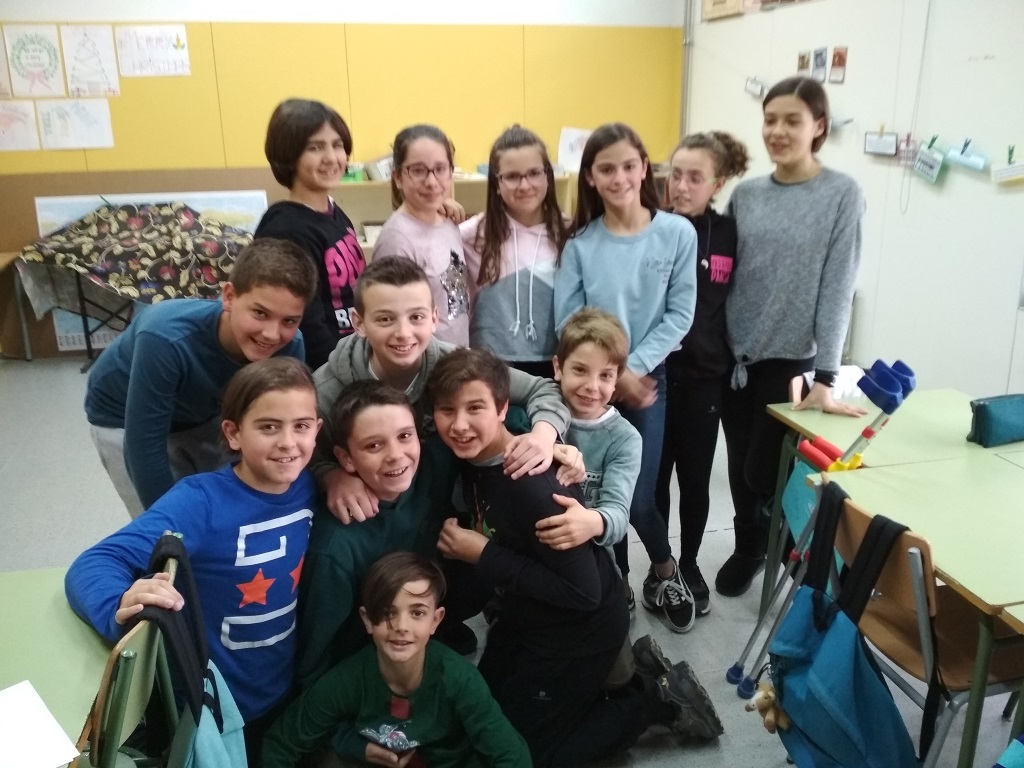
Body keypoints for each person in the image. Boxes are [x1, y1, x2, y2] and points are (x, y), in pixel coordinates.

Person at [428, 348, 723, 768]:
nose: (459, 425)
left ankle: (658, 700)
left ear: (502, 408)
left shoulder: (531, 485)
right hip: (527, 618)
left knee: (531, 755)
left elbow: (582, 592)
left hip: (579, 629)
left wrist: (484, 554)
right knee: (483, 717)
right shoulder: (477, 458)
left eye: (474, 408)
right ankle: (623, 674)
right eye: (446, 410)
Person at [67, 357, 321, 762]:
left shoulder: (312, 482)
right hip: (207, 710)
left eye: (301, 426)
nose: (288, 442)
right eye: (269, 427)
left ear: (317, 430)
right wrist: (118, 604)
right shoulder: (200, 502)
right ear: (233, 433)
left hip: (282, 694)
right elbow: (96, 562)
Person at [717, 76, 866, 598]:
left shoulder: (841, 194)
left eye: (792, 121)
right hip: (734, 355)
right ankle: (750, 547)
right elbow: (726, 272)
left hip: (791, 359)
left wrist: (826, 375)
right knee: (738, 465)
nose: (777, 131)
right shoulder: (747, 194)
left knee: (763, 472)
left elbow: (838, 289)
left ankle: (788, 547)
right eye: (770, 119)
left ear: (818, 126)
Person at [553, 123, 698, 633]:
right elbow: (567, 323)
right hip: (591, 386)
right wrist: (608, 375)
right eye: (606, 169)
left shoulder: (677, 233)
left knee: (638, 498)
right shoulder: (580, 245)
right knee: (597, 493)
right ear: (590, 177)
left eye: (629, 166)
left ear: (644, 169)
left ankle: (665, 572)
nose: (619, 178)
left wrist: (631, 370)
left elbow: (680, 314)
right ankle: (617, 581)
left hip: (646, 382)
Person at [310, 256, 575, 525]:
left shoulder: (455, 365)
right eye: (385, 319)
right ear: (359, 323)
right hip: (373, 517)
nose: (403, 333)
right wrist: (331, 477)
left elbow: (541, 388)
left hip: (449, 507)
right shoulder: (326, 390)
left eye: (416, 317)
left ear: (434, 317)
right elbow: (303, 456)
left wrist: (543, 436)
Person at [84, 238, 316, 517]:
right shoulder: (165, 339)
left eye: (289, 321)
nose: (271, 334)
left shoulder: (291, 346)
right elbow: (143, 446)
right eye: (259, 313)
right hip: (123, 417)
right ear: (229, 297)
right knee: (166, 518)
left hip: (203, 411)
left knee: (222, 508)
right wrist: (171, 525)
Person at [264, 552, 531, 768]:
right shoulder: (349, 678)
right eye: (387, 612)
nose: (401, 626)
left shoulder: (461, 680)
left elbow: (512, 756)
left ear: (435, 620)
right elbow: (282, 743)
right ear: (367, 620)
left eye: (417, 613)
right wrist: (355, 746)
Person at [295, 381, 462, 690]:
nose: (396, 455)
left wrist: (547, 440)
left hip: (427, 633)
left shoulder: (432, 464)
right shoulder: (335, 547)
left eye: (405, 436)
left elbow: (500, 417)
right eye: (374, 446)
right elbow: (313, 659)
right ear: (346, 459)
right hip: (361, 672)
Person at [653, 131, 749, 621]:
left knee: (694, 480)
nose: (682, 186)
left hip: (706, 378)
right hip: (653, 376)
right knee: (653, 480)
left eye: (696, 177)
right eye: (676, 175)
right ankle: (661, 566)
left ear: (718, 183)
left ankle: (689, 564)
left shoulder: (729, 232)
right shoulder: (650, 225)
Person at [255, 99, 366, 371]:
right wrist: (343, 374)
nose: (331, 157)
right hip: (322, 372)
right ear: (289, 156)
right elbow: (305, 322)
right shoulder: (285, 229)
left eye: (337, 145)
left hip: (353, 356)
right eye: (315, 148)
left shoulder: (334, 212)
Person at [460, 125, 566, 379]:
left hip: (555, 363)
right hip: (489, 364)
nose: (524, 185)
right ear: (496, 183)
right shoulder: (470, 235)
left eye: (534, 173)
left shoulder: (570, 233)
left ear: (548, 176)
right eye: (512, 176)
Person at [540, 308, 635, 567]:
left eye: (605, 375)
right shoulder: (538, 411)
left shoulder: (625, 438)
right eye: (580, 370)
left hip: (590, 561)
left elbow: (618, 515)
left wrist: (591, 522)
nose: (592, 386)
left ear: (616, 380)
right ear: (558, 367)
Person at [374, 124, 470, 347]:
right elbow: (395, 322)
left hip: (456, 358)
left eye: (440, 169)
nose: (431, 182)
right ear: (398, 177)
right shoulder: (397, 240)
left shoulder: (448, 222)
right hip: (424, 361)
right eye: (418, 171)